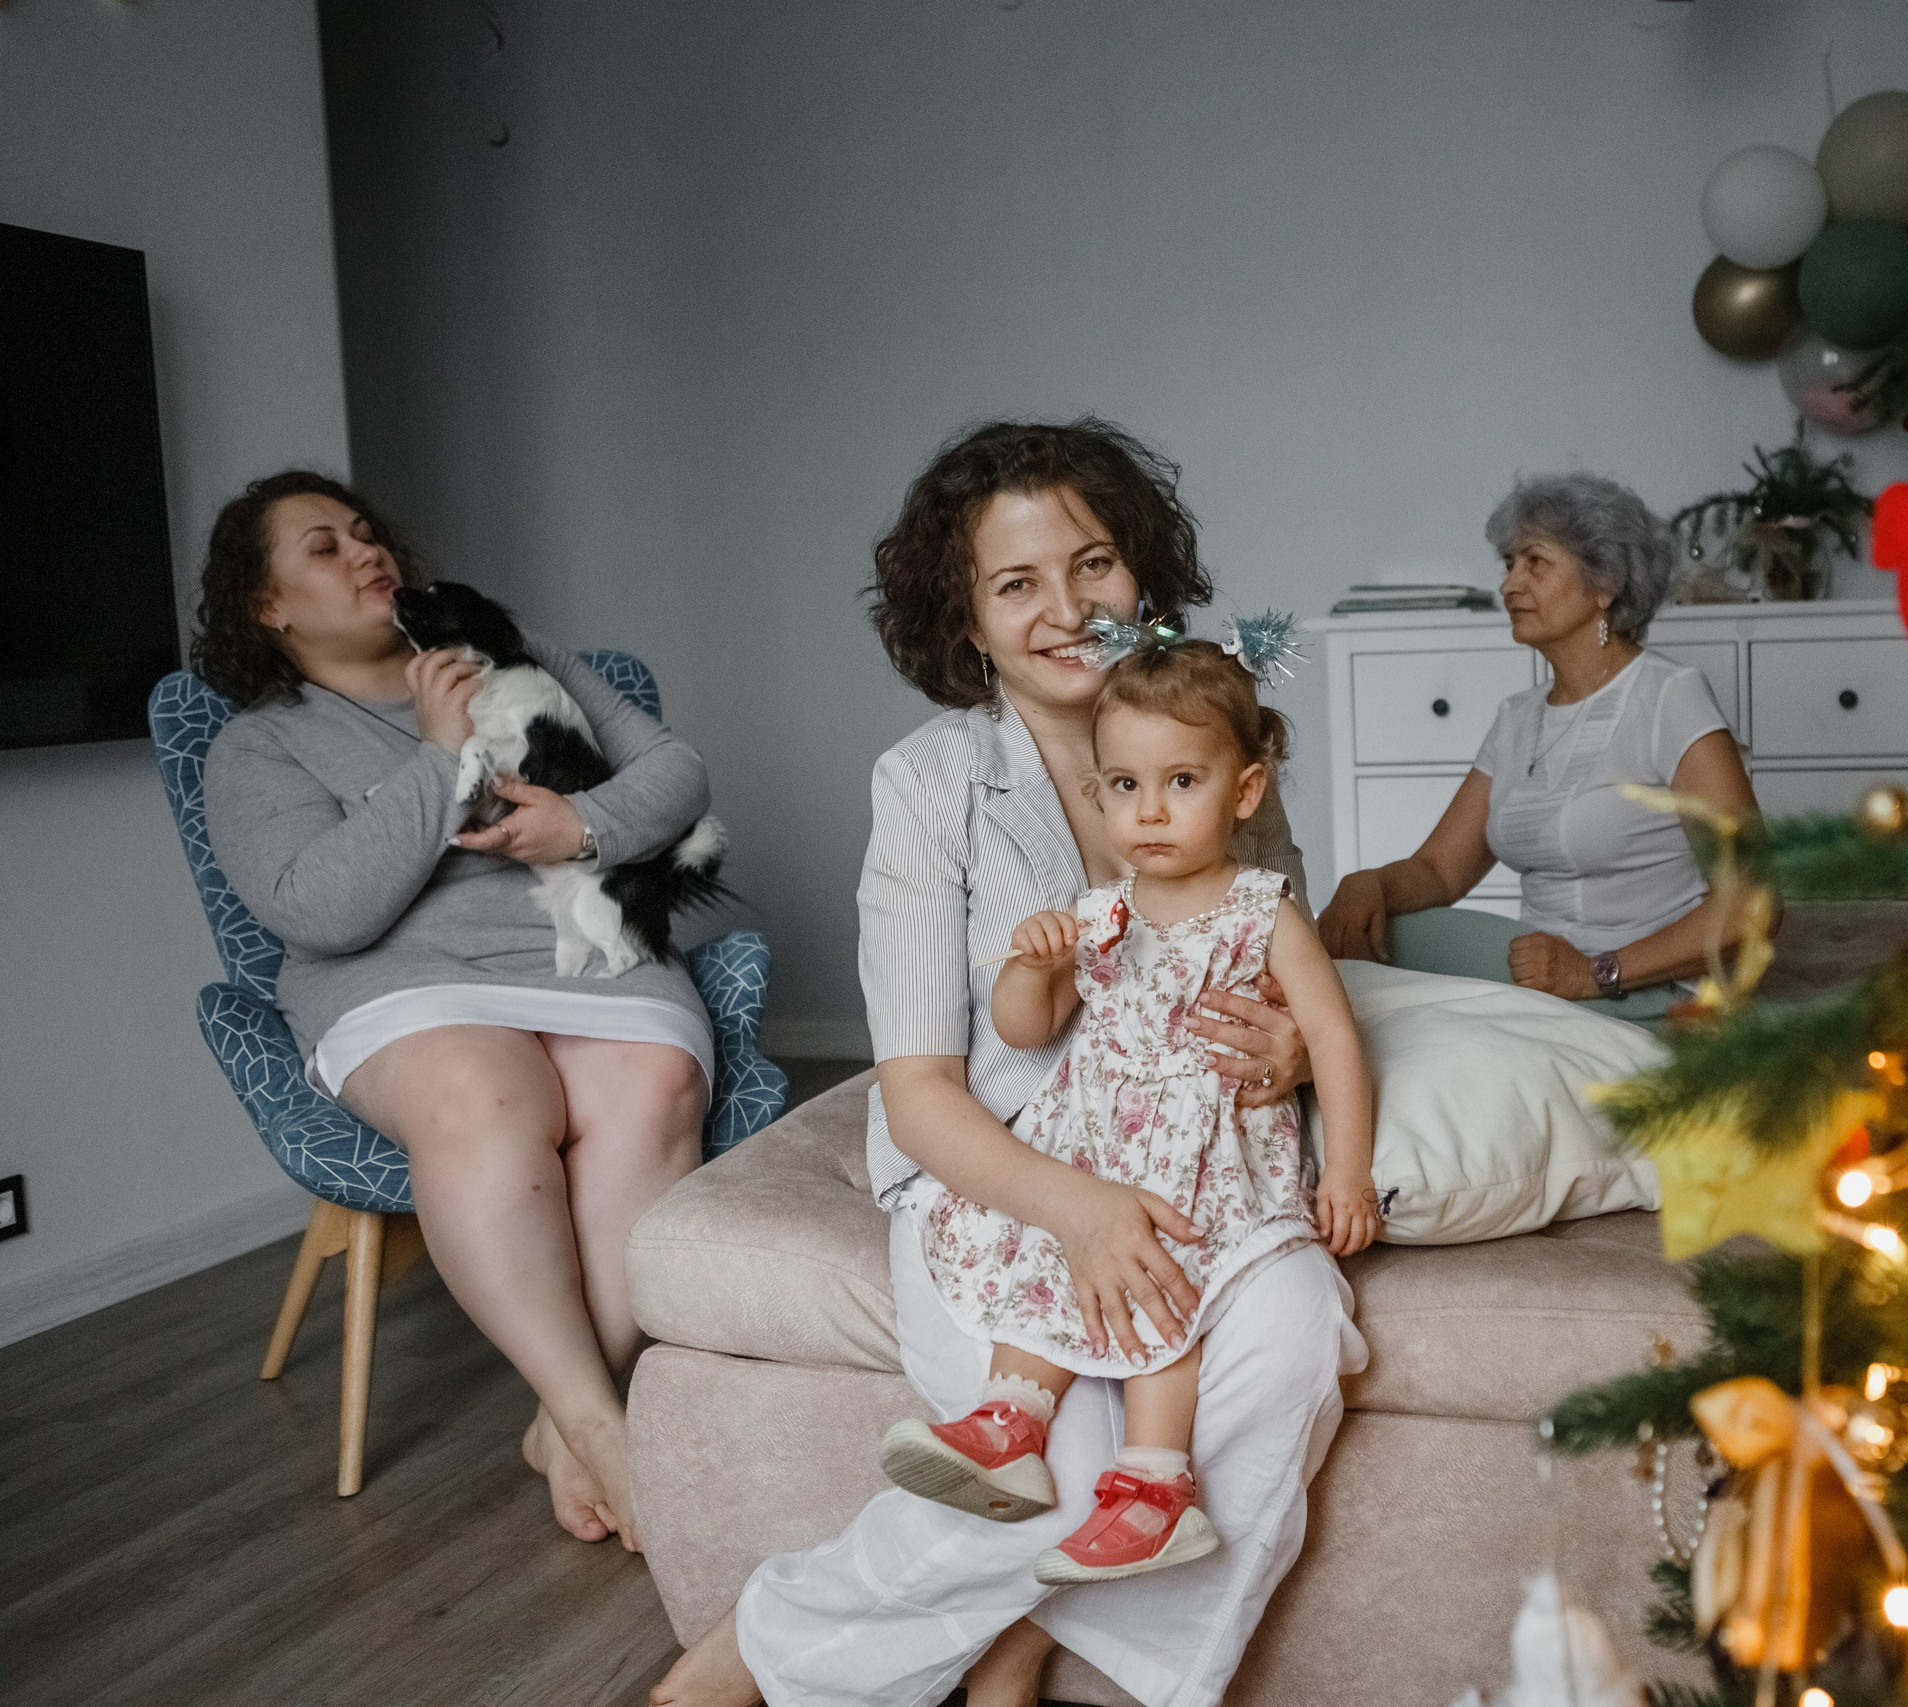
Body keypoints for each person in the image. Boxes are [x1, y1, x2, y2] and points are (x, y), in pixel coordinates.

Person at [655, 420, 1364, 1707]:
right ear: (967, 623)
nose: (1067, 608)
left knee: (1297, 1336)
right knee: (1065, 1461)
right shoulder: (928, 786)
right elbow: (919, 1091)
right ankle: (748, 1658)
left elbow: (1286, 972)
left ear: (1140, 575)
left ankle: (1028, 1655)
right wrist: (1079, 1211)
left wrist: (1287, 1059)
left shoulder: (1222, 730)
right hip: (1007, 1181)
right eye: (1016, 583)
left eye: (1093, 564)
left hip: (1205, 1176)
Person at [196, 470, 720, 1551]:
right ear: (270, 607)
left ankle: (560, 1420)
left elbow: (675, 772)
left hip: (581, 954)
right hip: (401, 980)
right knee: (487, 1092)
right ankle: (601, 1429)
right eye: (322, 548)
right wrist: (438, 764)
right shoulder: (260, 746)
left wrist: (576, 827)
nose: (364, 552)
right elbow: (319, 909)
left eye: (363, 533)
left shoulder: (514, 656)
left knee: (654, 1078)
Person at [883, 632, 1379, 1586]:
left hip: (1205, 1153)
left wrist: (1348, 1170)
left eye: (1181, 782)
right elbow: (1028, 1029)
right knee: (1041, 1246)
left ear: (1244, 792)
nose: (1149, 811)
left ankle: (1154, 1484)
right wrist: (1036, 964)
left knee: (1167, 1277)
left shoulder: (1259, 909)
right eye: (1123, 786)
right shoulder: (1103, 908)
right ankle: (1010, 1422)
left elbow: (1335, 1038)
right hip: (1094, 1139)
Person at [1317, 473, 1763, 1017]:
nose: (1509, 585)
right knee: (1357, 939)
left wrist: (1595, 972)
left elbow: (1751, 904)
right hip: (1543, 981)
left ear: (1606, 584)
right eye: (1508, 564)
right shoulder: (1517, 718)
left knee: (1357, 977)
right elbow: (1439, 871)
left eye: (1535, 562)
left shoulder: (1671, 697)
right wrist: (1369, 885)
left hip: (1648, 988)